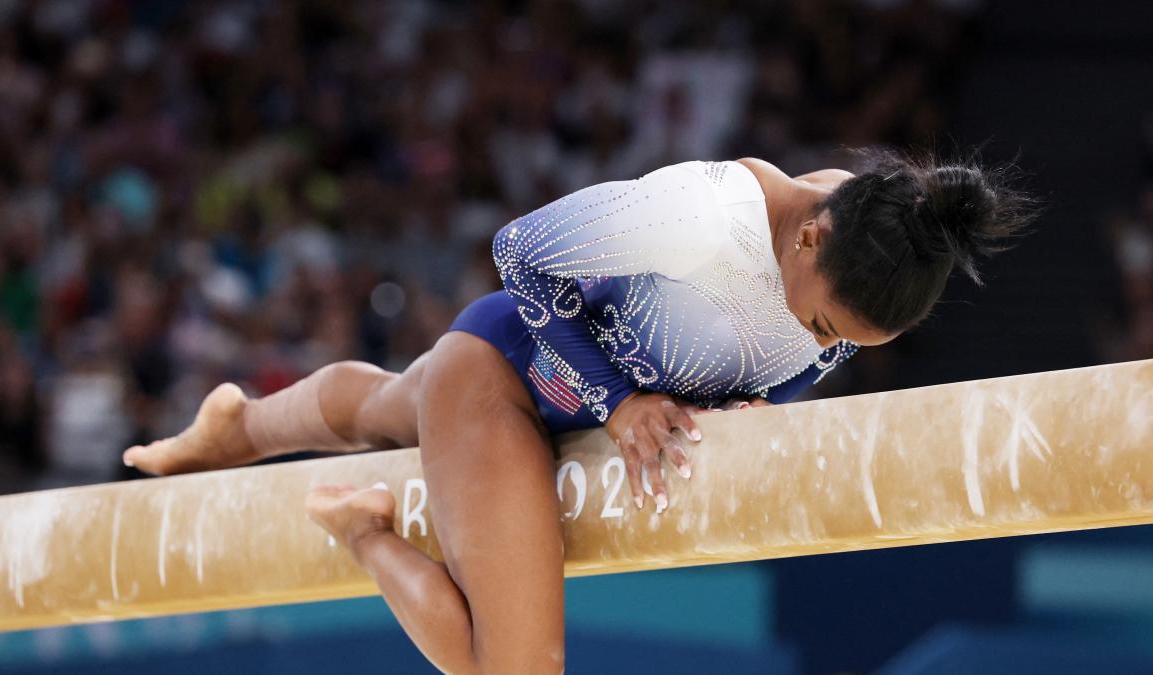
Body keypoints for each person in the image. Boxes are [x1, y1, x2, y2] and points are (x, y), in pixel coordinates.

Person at [123, 149, 1032, 674]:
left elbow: (801, 348)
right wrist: (621, 398)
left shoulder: (879, 233)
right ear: (807, 235)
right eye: (823, 324)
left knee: (389, 409)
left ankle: (238, 425)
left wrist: (761, 397)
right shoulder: (704, 215)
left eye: (844, 346)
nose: (821, 345)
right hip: (507, 376)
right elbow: (520, 252)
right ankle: (362, 527)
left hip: (563, 402)